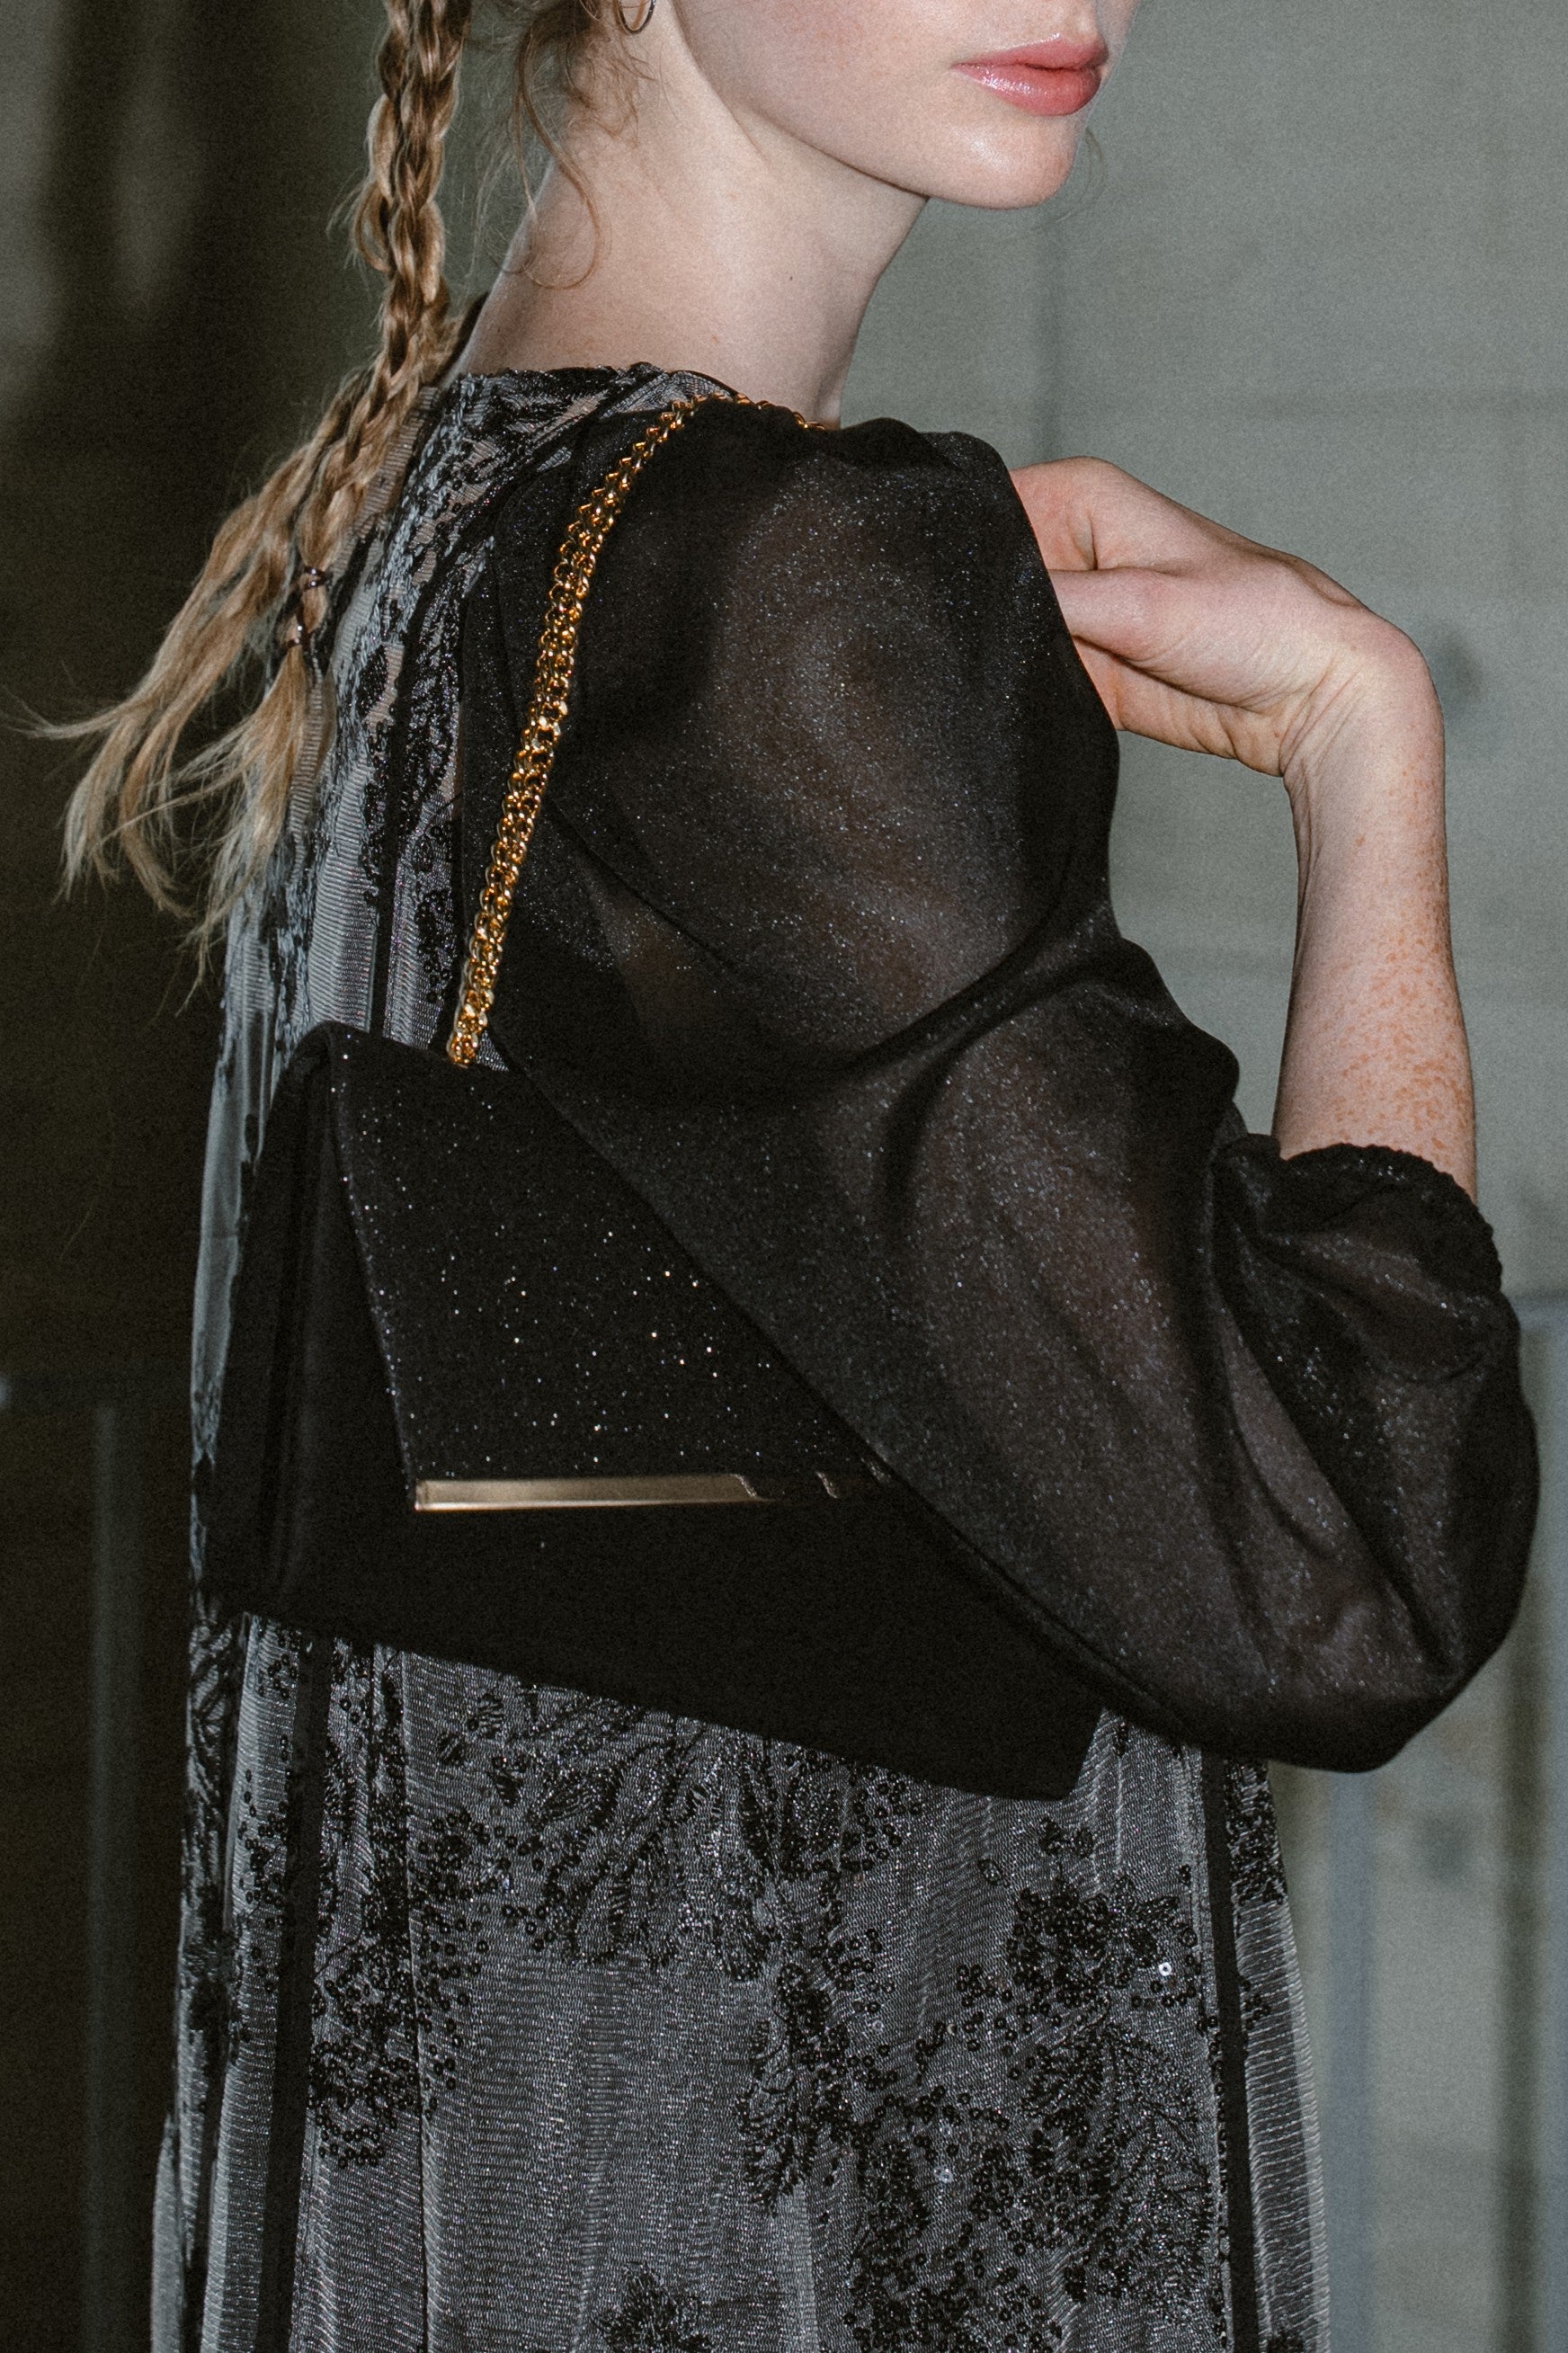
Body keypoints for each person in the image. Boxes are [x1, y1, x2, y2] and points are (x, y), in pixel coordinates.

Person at [65, 1, 1535, 2347]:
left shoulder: (423, 504)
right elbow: (1350, 1569)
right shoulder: (777, 573)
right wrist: (1373, 749)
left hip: (490, 2214)